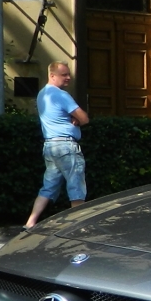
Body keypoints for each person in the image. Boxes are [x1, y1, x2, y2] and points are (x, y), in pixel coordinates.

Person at [25, 62, 90, 229]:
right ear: (52, 76)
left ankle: (30, 222)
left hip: (50, 147)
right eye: (64, 75)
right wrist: (77, 119)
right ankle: (78, 226)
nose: (68, 78)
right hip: (66, 146)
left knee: (48, 187)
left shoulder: (42, 94)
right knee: (76, 186)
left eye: (69, 74)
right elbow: (84, 118)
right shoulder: (61, 95)